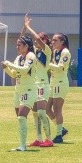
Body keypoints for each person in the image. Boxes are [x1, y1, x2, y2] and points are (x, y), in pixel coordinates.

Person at [22, 15, 54, 147]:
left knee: (41, 112)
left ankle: (49, 139)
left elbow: (37, 39)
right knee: (35, 113)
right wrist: (24, 28)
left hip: (42, 84)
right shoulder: (34, 51)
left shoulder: (47, 51)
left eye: (41, 39)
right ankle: (39, 138)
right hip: (33, 84)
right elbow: (21, 40)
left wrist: (29, 27)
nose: (36, 41)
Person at [2, 36, 37, 151]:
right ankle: (22, 144)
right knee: (20, 117)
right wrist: (6, 68)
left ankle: (23, 146)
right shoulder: (18, 58)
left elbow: (25, 69)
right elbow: (14, 74)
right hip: (18, 90)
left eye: (19, 45)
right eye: (16, 44)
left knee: (22, 116)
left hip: (28, 89)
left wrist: (9, 64)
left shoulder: (31, 56)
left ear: (26, 46)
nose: (17, 47)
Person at [47, 33, 71, 143]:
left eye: (55, 40)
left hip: (60, 83)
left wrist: (47, 64)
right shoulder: (55, 51)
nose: (53, 42)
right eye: (52, 40)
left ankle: (58, 135)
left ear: (62, 42)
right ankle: (60, 128)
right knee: (47, 109)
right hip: (53, 82)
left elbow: (60, 68)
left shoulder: (65, 52)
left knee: (57, 109)